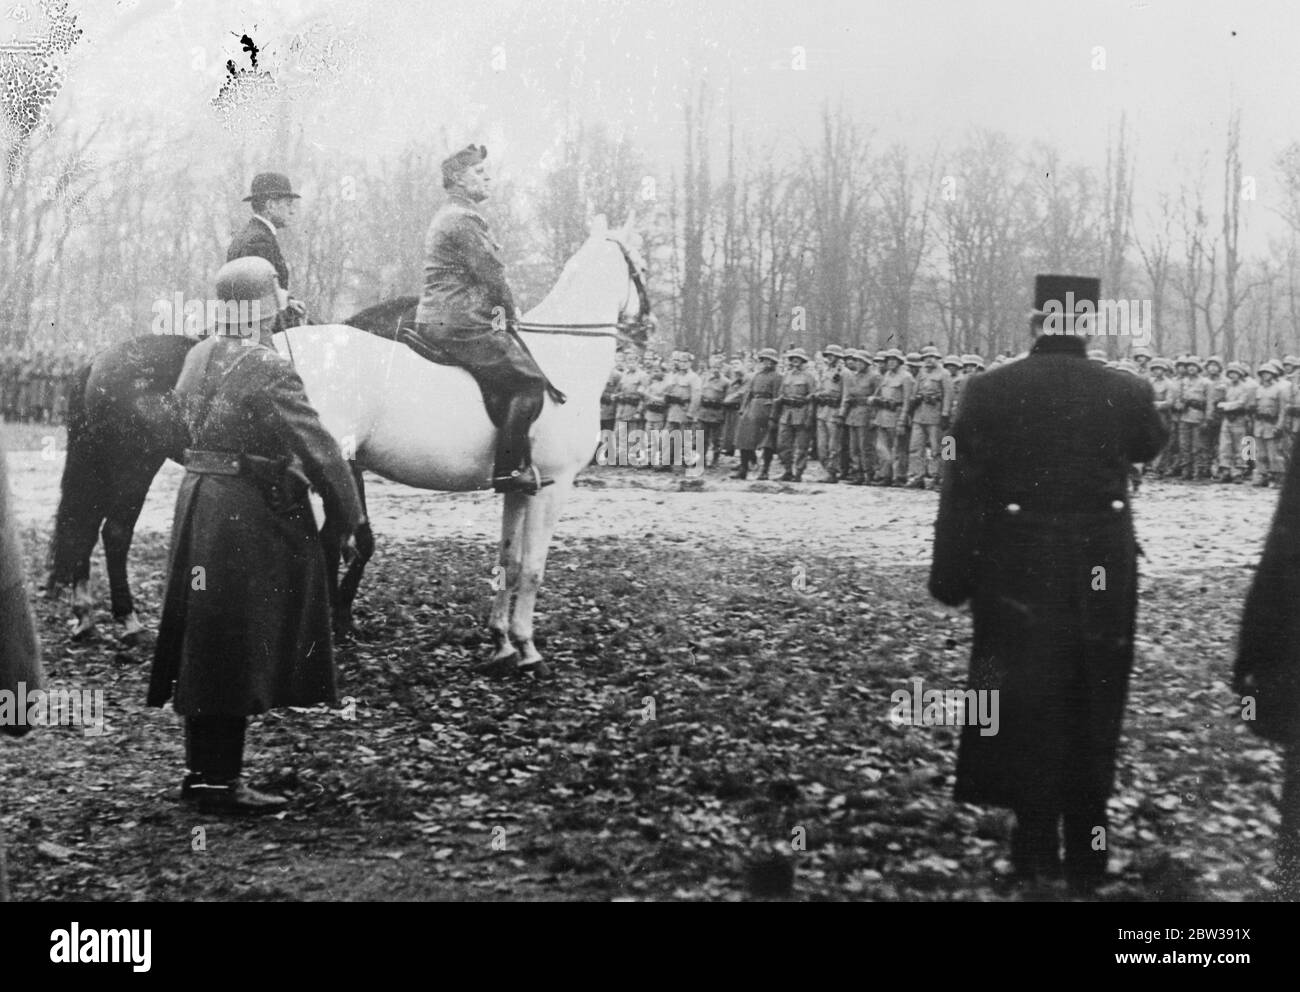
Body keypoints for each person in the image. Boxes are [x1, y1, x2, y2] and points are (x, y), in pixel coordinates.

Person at [929, 274, 1166, 893]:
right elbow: (1150, 444)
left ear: (1036, 325)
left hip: (1015, 563)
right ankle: (1089, 846)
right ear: (1087, 328)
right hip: (1101, 565)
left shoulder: (988, 388)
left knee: (1020, 695)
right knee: (1094, 695)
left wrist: (951, 572)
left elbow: (960, 487)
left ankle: (1032, 843)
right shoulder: (1126, 389)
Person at [148, 257, 365, 815]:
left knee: (207, 637)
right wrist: (351, 517)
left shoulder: (196, 354)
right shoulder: (269, 366)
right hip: (243, 513)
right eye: (277, 290)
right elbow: (319, 447)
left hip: (199, 503)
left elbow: (180, 428)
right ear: (265, 304)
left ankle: (205, 774)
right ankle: (220, 784)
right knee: (235, 639)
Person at [411, 145, 562, 495]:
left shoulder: (451, 215)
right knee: (528, 383)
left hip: (445, 317)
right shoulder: (463, 218)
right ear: (458, 180)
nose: (488, 177)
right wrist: (510, 312)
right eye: (479, 172)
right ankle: (509, 472)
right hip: (458, 321)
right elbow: (491, 274)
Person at [228, 172, 307, 323]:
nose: (292, 211)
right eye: (288, 204)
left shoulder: (247, 234)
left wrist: (288, 301)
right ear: (270, 206)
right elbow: (261, 301)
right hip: (260, 331)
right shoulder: (260, 241)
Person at [732, 348, 781, 481]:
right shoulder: (756, 375)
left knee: (767, 443)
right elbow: (749, 393)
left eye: (770, 361)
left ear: (774, 362)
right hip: (752, 408)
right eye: (764, 360)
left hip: (766, 408)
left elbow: (777, 397)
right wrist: (743, 409)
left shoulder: (777, 377)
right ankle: (743, 469)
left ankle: (764, 470)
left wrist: (773, 415)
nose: (767, 363)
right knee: (745, 440)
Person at [775, 347, 816, 482]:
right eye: (793, 359)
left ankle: (798, 472)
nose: (795, 361)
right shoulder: (787, 375)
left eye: (798, 359)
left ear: (803, 361)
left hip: (802, 413)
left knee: (801, 446)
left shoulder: (809, 376)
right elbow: (781, 393)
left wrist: (810, 416)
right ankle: (787, 470)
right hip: (787, 413)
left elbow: (812, 397)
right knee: (783, 444)